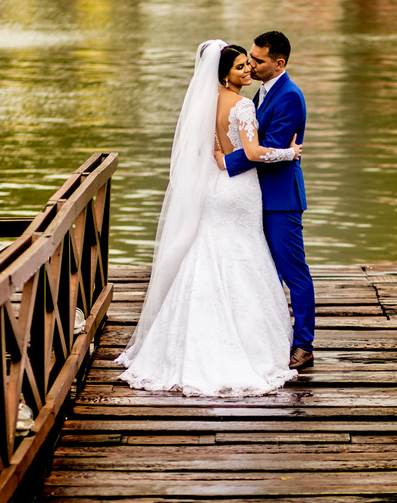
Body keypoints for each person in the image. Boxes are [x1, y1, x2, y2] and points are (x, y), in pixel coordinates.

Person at [116, 40, 302, 396]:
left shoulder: (207, 102)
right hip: (239, 190)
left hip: (217, 188)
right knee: (242, 257)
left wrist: (221, 159)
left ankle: (185, 344)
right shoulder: (244, 104)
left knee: (210, 255)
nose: (248, 70)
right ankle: (242, 346)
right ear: (224, 74)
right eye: (240, 67)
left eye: (249, 64)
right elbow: (252, 152)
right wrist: (289, 153)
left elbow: (213, 151)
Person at [218, 31, 314, 371]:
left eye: (258, 61)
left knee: (293, 272)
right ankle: (267, 338)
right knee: (261, 271)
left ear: (279, 63)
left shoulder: (289, 96)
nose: (251, 65)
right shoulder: (259, 92)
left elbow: (263, 147)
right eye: (250, 59)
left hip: (279, 199)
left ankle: (304, 344)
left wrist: (222, 163)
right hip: (252, 196)